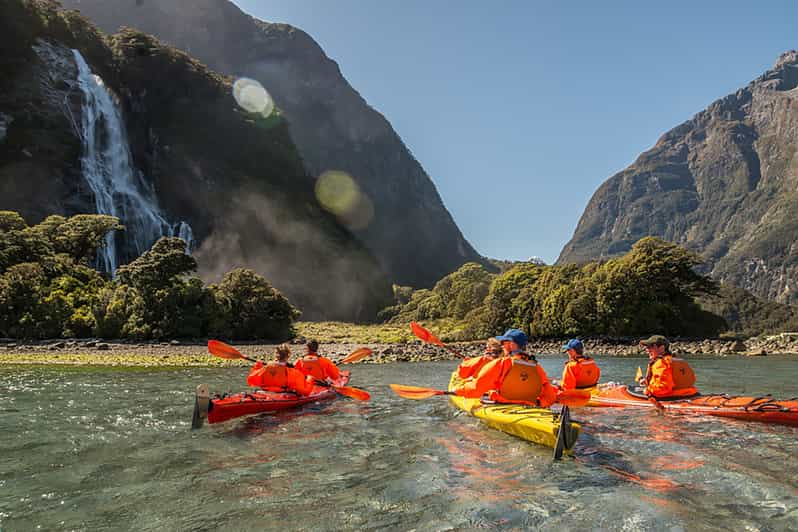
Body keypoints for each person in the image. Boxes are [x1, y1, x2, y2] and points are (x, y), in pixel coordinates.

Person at [452, 328, 558, 407]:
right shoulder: (536, 366)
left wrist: (458, 391)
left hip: (502, 404)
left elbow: (477, 387)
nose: (502, 345)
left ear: (511, 345)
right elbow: (550, 396)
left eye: (503, 342)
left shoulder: (501, 363)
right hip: (529, 405)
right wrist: (540, 403)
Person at [247, 343, 315, 395]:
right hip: (281, 394)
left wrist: (257, 367)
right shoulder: (292, 372)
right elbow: (306, 392)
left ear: (276, 355)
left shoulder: (265, 368)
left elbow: (251, 380)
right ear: (288, 356)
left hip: (265, 392)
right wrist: (310, 378)